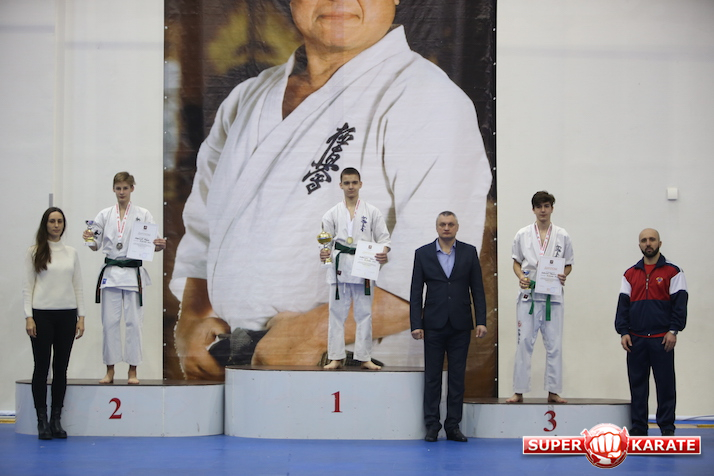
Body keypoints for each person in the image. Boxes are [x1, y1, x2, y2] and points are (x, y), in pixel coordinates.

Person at [171, 0, 492, 379]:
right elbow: (205, 225)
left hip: (352, 363)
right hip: (236, 358)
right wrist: (192, 317)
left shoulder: (426, 97)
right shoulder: (247, 98)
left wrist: (312, 334)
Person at [409, 211, 487, 442]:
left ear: (457, 227)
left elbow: (478, 290)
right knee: (432, 377)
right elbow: (415, 292)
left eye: (450, 224)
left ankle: (453, 426)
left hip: (460, 324)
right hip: (433, 324)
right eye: (442, 224)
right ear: (437, 227)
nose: (446, 227)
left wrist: (481, 320)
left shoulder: (469, 252)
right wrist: (416, 323)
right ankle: (432, 426)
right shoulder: (422, 253)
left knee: (457, 378)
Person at [83, 172, 166, 384]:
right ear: (113, 189)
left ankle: (132, 371)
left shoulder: (143, 214)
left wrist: (159, 245)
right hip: (111, 274)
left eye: (125, 188)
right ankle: (110, 369)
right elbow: (94, 246)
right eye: (118, 188)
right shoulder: (104, 215)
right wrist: (88, 238)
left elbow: (153, 246)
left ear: (132, 189)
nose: (122, 192)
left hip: (133, 274)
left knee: (134, 323)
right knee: (109, 323)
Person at [615, 228, 687, 436]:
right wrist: (623, 332)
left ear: (659, 243)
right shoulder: (629, 274)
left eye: (652, 239)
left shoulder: (673, 272)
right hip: (635, 340)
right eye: (644, 240)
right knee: (637, 386)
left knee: (665, 386)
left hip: (662, 339)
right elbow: (623, 306)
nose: (648, 243)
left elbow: (680, 305)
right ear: (639, 245)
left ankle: (667, 428)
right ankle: (639, 427)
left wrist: (673, 330)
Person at [23, 207, 85, 439]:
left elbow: (78, 285)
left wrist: (81, 317)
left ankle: (55, 420)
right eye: (52, 221)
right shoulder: (34, 252)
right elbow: (27, 286)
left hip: (67, 316)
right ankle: (42, 421)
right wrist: (28, 316)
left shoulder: (71, 253)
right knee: (41, 368)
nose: (56, 225)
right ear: (45, 224)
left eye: (59, 221)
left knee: (61, 369)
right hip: (41, 316)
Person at [320, 167, 391, 370]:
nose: (350, 186)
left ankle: (364, 357)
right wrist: (324, 253)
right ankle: (335, 357)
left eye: (354, 182)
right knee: (336, 314)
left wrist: (383, 252)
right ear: (340, 185)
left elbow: (384, 239)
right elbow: (325, 242)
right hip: (340, 266)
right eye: (347, 183)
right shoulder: (332, 213)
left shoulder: (372, 212)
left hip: (364, 266)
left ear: (360, 184)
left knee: (364, 314)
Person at [506, 191, 573, 404]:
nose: (543, 210)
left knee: (554, 344)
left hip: (553, 296)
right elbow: (516, 262)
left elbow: (568, 264)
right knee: (524, 342)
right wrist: (520, 277)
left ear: (552, 208)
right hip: (529, 295)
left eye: (546, 206)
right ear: (533, 209)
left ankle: (553, 391)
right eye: (539, 206)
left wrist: (564, 275)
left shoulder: (562, 235)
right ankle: (518, 391)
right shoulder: (523, 234)